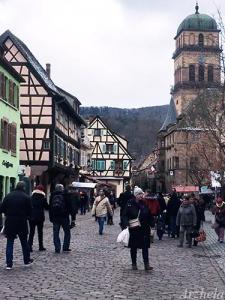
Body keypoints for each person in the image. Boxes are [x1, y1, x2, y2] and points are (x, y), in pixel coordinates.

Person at [0, 181, 33, 269]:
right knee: (24, 242)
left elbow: (2, 209)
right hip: (22, 221)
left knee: (10, 242)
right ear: (23, 188)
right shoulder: (26, 197)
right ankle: (26, 260)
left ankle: (9, 264)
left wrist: (8, 213)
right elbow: (30, 211)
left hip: (10, 221)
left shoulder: (8, 196)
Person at [123, 186, 154, 271]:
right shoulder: (130, 203)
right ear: (135, 195)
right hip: (134, 228)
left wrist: (152, 223)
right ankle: (134, 264)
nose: (141, 195)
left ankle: (146, 264)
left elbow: (149, 214)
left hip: (144, 228)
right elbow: (125, 215)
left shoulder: (145, 203)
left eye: (141, 193)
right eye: (139, 194)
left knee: (145, 247)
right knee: (133, 247)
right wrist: (125, 224)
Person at [49, 184, 75, 253]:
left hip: (55, 217)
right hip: (64, 217)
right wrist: (73, 218)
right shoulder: (66, 195)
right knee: (67, 232)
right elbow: (71, 207)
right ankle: (65, 247)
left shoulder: (52, 195)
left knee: (56, 233)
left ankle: (57, 248)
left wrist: (51, 217)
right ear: (62, 189)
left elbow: (50, 207)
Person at [28, 185, 49, 252]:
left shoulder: (31, 198)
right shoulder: (43, 198)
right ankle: (41, 246)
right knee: (40, 232)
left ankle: (29, 246)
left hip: (32, 217)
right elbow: (47, 207)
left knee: (31, 232)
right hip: (40, 217)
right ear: (42, 191)